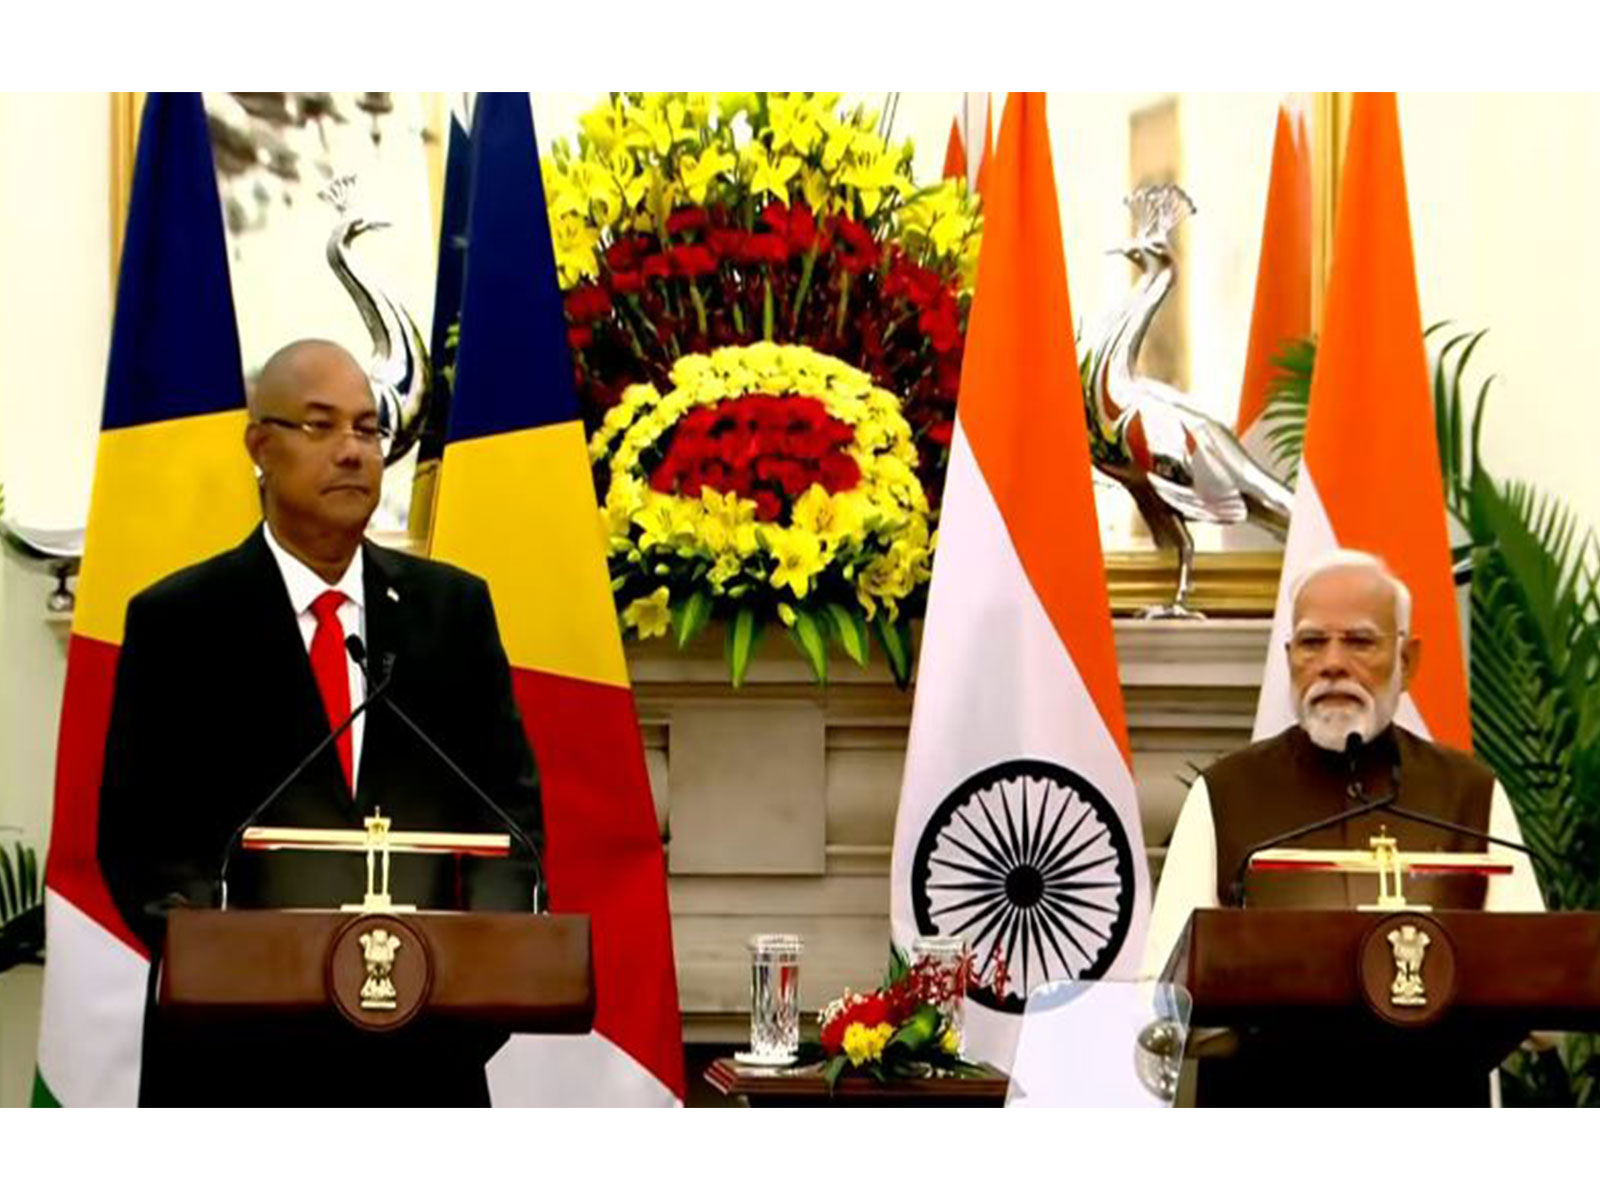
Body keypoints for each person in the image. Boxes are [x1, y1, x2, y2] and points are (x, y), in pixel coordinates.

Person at [97, 339, 543, 1106]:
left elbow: (507, 820)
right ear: (259, 447)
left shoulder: (451, 613)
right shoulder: (180, 622)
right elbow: (144, 848)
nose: (351, 453)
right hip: (233, 1069)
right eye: (321, 426)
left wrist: (472, 989)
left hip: (423, 1056)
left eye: (368, 431)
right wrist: (243, 973)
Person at [1144, 549, 1544, 1103]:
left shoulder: (1469, 793)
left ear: (1409, 659)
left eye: (1359, 641)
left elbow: (1540, 987)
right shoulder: (1226, 793)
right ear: (1289, 658)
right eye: (1312, 642)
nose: (1333, 662)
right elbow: (1161, 1000)